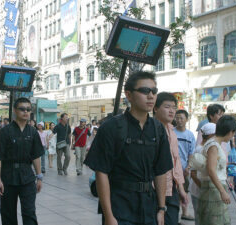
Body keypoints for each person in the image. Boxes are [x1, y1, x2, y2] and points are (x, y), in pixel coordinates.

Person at [84, 71, 173, 225]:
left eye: (154, 91)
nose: (151, 96)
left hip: (148, 205)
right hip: (120, 205)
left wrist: (161, 208)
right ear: (129, 95)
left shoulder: (158, 129)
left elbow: (161, 171)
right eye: (145, 91)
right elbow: (101, 173)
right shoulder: (111, 127)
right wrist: (109, 216)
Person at [0, 97, 44, 225]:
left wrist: (39, 177)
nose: (26, 112)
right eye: (22, 109)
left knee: (29, 212)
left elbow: (36, 156)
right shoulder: (5, 131)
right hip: (8, 177)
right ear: (14, 110)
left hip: (27, 177)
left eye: (28, 109)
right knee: (8, 214)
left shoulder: (33, 132)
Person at [153, 92, 188, 225]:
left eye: (174, 107)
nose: (172, 111)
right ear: (155, 108)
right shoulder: (150, 130)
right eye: (167, 107)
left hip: (171, 188)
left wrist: (181, 189)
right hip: (155, 189)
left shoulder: (172, 132)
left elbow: (176, 162)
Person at [197, 115, 236, 225]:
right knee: (214, 220)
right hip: (212, 189)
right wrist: (222, 191)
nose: (232, 136)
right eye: (233, 133)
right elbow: (211, 170)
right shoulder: (213, 145)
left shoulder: (215, 144)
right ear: (230, 132)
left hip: (215, 187)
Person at [189, 122, 216, 225]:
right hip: (199, 191)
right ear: (210, 135)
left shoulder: (209, 148)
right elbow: (193, 174)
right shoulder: (200, 150)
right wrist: (204, 188)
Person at [174, 109, 195, 221]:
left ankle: (185, 212)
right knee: (173, 193)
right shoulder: (171, 132)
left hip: (184, 168)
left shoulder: (190, 135)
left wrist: (188, 167)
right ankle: (175, 216)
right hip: (172, 168)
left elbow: (191, 153)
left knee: (184, 191)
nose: (179, 120)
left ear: (186, 119)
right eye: (177, 118)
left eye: (181, 118)